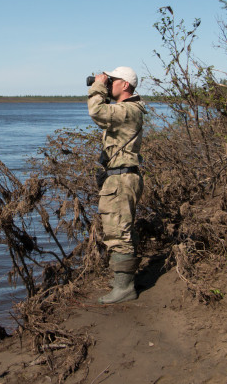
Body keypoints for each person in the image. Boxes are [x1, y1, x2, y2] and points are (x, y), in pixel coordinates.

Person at [87, 66, 147, 304]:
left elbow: (97, 112)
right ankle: (122, 280)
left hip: (122, 179)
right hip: (120, 176)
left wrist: (97, 86)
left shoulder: (129, 110)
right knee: (120, 228)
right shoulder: (127, 110)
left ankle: (124, 288)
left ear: (125, 85)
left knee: (118, 231)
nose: (108, 84)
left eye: (112, 80)